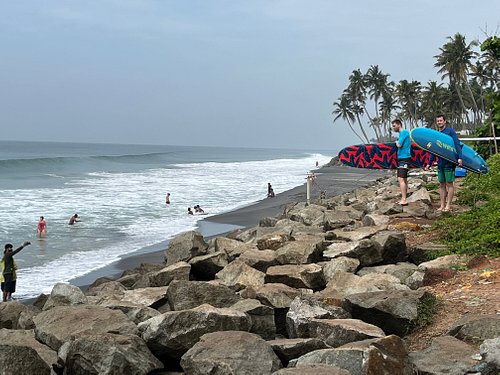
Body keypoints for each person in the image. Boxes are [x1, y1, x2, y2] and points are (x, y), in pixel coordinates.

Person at [425, 114, 463, 212]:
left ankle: (448, 205)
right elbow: (434, 150)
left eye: (441, 121)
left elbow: (457, 144)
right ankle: (442, 205)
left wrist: (460, 158)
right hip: (440, 163)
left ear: (444, 121)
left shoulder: (450, 131)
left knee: (449, 183)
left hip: (449, 162)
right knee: (441, 184)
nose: (439, 122)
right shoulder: (437, 134)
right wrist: (429, 163)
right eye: (438, 121)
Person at [392, 118, 411, 206]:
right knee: (404, 178)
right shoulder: (402, 133)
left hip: (405, 158)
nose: (393, 128)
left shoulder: (404, 132)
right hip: (402, 158)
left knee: (401, 178)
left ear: (399, 124)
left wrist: (396, 142)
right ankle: (404, 198)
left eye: (394, 126)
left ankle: (404, 199)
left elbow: (399, 145)